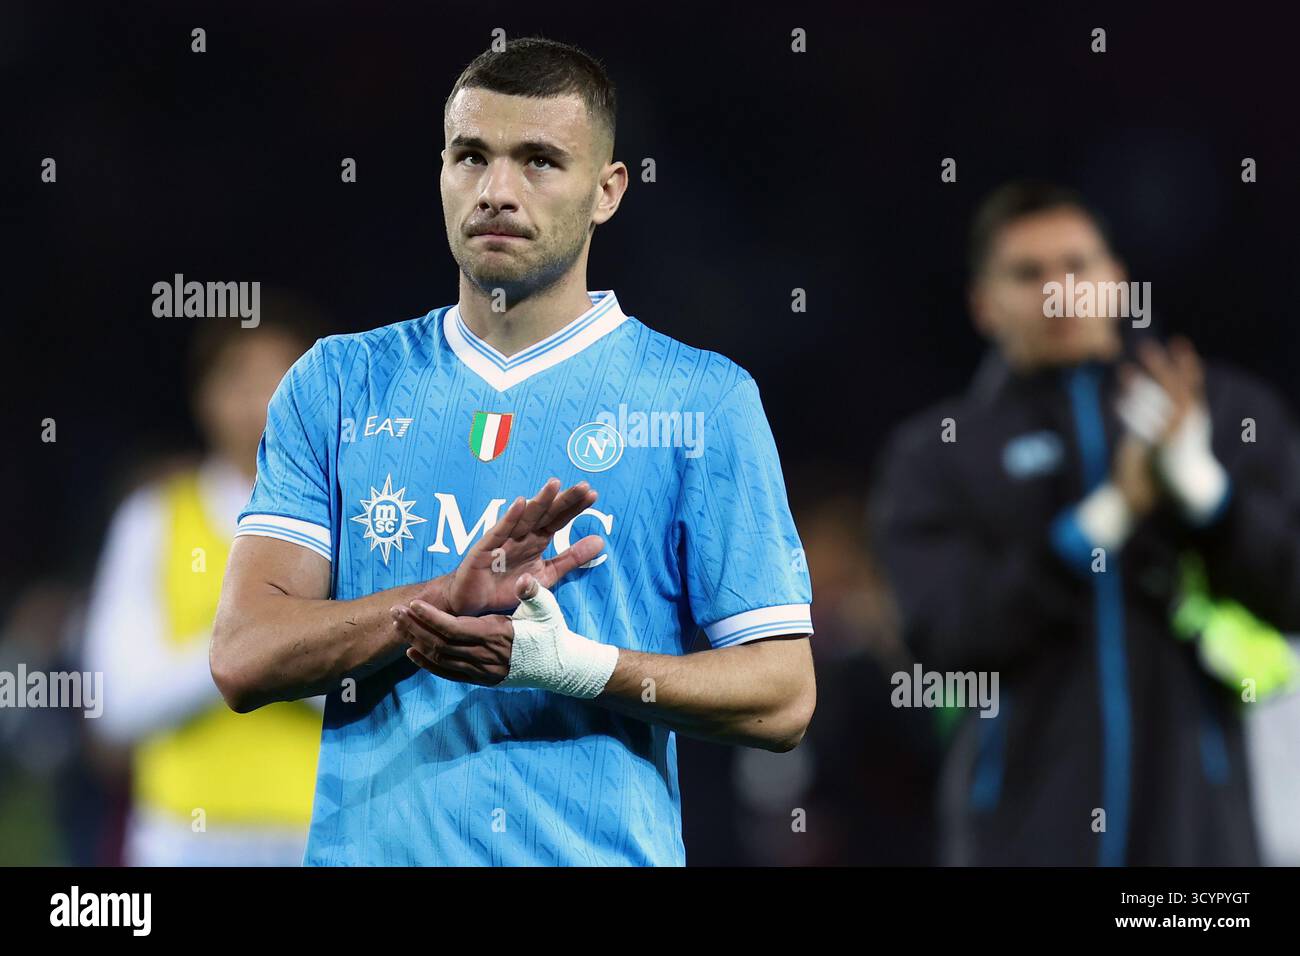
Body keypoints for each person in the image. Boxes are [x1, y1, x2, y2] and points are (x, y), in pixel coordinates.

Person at [210, 37, 815, 866]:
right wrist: (435, 601)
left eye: (538, 161)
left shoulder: (699, 400)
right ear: (442, 172)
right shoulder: (340, 382)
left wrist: (574, 668)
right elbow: (243, 655)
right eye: (472, 156)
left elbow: (783, 695)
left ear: (607, 192)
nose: (497, 190)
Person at [872, 181, 1300, 865]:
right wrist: (1101, 523)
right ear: (984, 305)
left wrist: (1207, 498)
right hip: (1018, 838)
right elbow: (945, 636)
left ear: (1118, 281)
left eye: (1077, 266)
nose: (1057, 291)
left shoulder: (1223, 411)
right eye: (1027, 273)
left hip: (1199, 842)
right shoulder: (940, 451)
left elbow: (1290, 591)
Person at [84, 315, 323, 865]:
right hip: (180, 840)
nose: (262, 400)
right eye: (240, 379)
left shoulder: (353, 521)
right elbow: (117, 703)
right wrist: (267, 643)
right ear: (205, 397)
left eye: (284, 378)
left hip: (318, 834)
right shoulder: (154, 519)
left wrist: (250, 647)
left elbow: (375, 687)